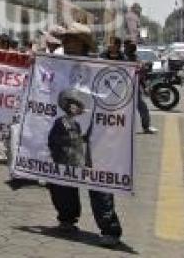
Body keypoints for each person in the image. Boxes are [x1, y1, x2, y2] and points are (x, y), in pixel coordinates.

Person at [46, 22, 123, 248]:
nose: (68, 44)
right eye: (66, 40)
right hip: (63, 132)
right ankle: (67, 218)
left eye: (73, 40)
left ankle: (110, 229)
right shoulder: (56, 64)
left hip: (92, 136)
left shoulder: (100, 68)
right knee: (60, 178)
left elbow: (112, 97)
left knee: (98, 183)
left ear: (84, 44)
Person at [124, 40, 156, 134]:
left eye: (131, 48)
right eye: (127, 47)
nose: (129, 49)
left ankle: (146, 127)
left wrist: (144, 86)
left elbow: (140, 75)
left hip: (134, 88)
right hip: (121, 89)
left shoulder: (136, 60)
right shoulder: (122, 59)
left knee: (143, 108)